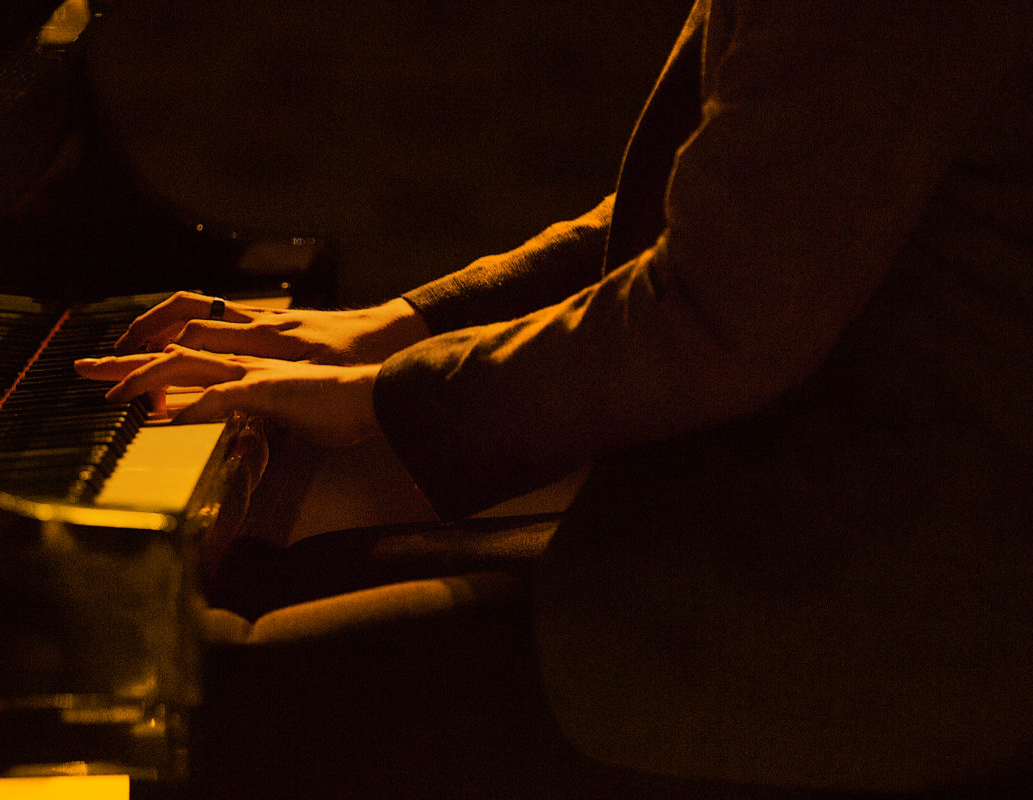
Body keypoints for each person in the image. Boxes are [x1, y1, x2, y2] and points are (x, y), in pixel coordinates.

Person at [77, 0, 1033, 796]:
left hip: (894, 608)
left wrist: (379, 399)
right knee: (258, 581)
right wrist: (400, 324)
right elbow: (714, 200)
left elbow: (715, 321)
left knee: (207, 708)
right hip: (808, 531)